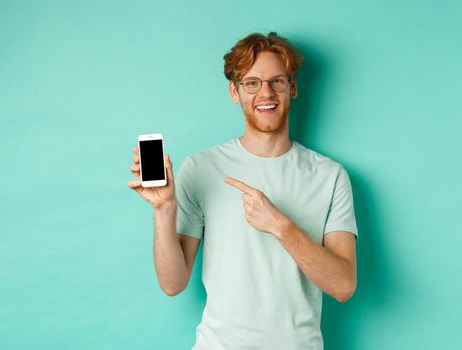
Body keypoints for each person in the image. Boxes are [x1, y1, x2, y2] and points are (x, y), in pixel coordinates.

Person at [128, 32, 358, 350]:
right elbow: (172, 283)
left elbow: (344, 285)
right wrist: (164, 210)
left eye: (277, 81)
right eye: (251, 83)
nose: (266, 93)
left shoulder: (329, 176)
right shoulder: (201, 167)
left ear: (293, 88)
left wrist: (280, 225)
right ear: (234, 91)